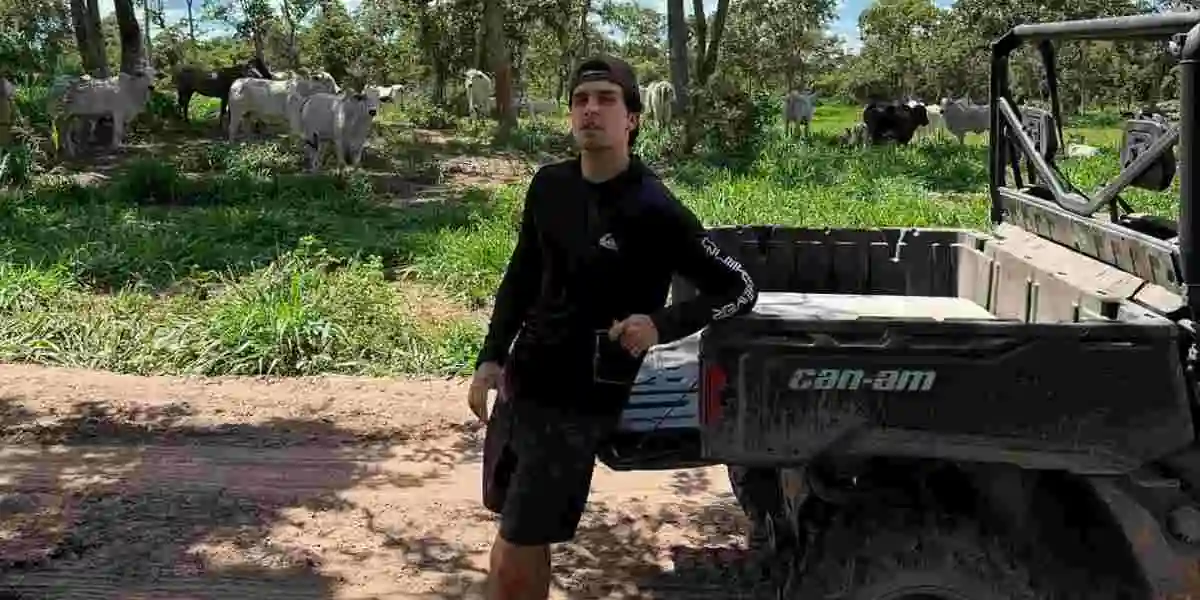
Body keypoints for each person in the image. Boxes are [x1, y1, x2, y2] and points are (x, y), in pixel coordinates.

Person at [466, 54, 759, 600]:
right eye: (581, 100)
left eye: (606, 100)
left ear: (633, 119)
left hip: (582, 398)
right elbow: (522, 274)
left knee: (516, 544)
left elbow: (738, 288)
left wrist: (660, 323)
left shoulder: (654, 208)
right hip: (525, 380)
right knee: (516, 530)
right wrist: (490, 357)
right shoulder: (548, 186)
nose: (591, 110)